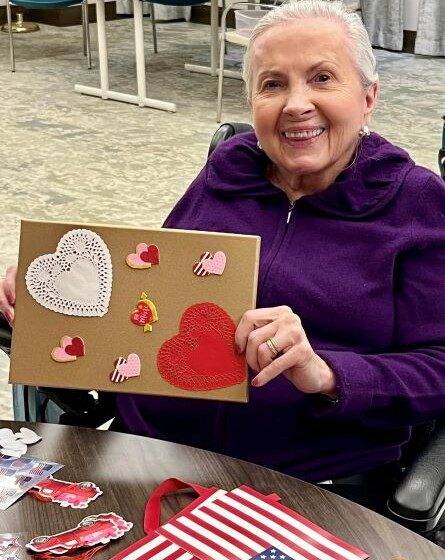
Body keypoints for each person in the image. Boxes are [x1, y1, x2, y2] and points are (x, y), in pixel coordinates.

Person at [1, 0, 445, 510]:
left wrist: (329, 375)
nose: (296, 104)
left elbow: (438, 365)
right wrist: (39, 295)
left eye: (322, 78)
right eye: (273, 84)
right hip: (145, 450)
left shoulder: (417, 205)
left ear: (368, 96)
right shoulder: (229, 170)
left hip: (304, 482)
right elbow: (150, 299)